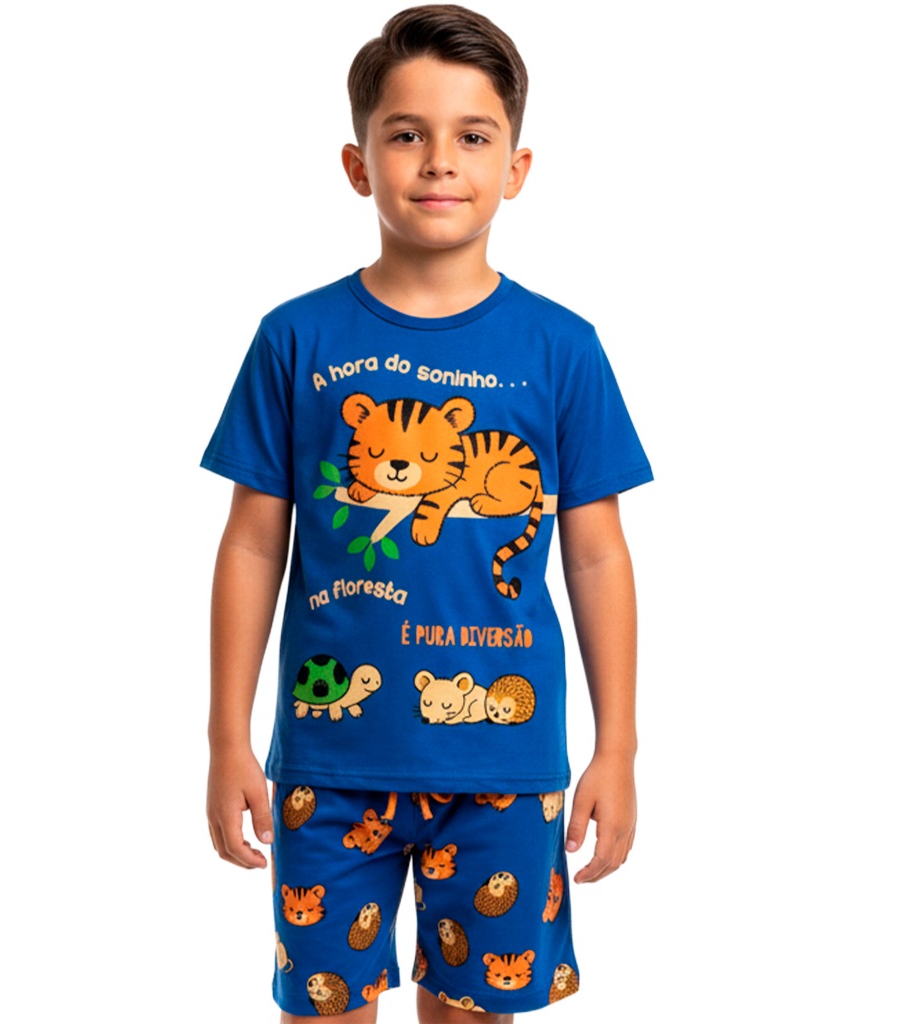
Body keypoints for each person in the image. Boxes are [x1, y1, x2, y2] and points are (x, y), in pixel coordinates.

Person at [202, 6, 652, 1022]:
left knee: (475, 1008)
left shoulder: (562, 348)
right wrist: (226, 737)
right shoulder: (295, 338)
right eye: (406, 133)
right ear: (358, 165)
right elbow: (252, 544)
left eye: (472, 136)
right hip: (330, 759)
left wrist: (617, 747)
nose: (440, 160)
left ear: (516, 168)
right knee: (324, 1006)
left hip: (504, 761)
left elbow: (596, 558)